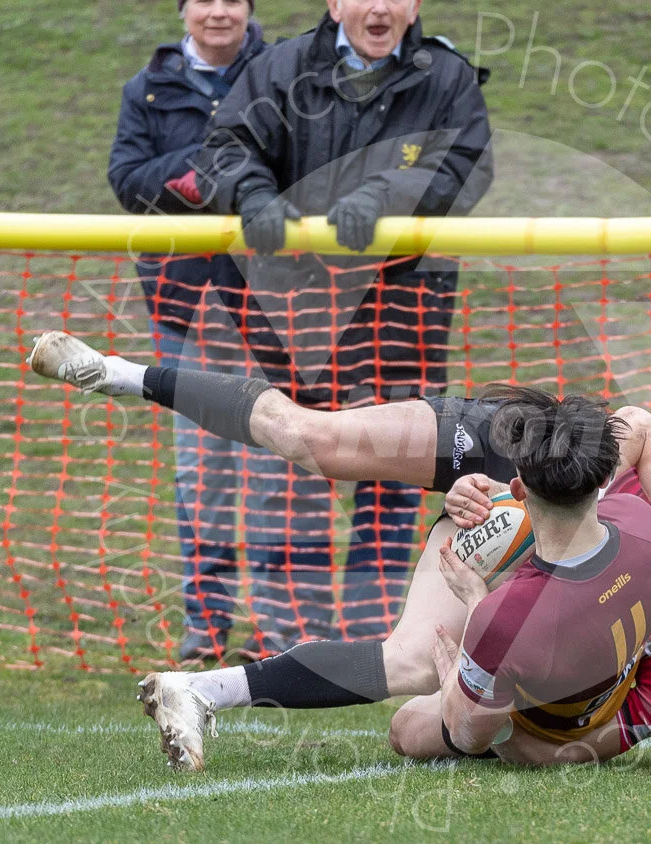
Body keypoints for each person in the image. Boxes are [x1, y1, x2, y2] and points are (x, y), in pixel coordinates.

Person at [26, 331, 651, 767]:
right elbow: (636, 424)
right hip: (536, 459)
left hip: (507, 572)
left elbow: (572, 750)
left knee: (412, 662)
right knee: (313, 439)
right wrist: (543, 505)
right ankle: (119, 373)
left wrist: (487, 700)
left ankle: (199, 693)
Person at [187, 0, 496, 646]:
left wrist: (388, 196)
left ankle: (374, 631)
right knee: (292, 460)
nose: (379, 7)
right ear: (335, 4)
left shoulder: (447, 78)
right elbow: (227, 145)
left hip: (402, 306)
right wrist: (250, 193)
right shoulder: (282, 69)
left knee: (396, 465)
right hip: (294, 306)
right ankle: (291, 633)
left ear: (415, 6)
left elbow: (466, 166)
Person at [106, 0, 269, 661]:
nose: (218, 11)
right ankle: (206, 631)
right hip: (184, 309)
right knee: (202, 476)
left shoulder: (282, 72)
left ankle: (281, 631)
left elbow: (290, 170)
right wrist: (200, 173)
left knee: (275, 474)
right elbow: (127, 179)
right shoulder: (145, 87)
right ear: (184, 11)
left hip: (271, 312)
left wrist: (243, 179)